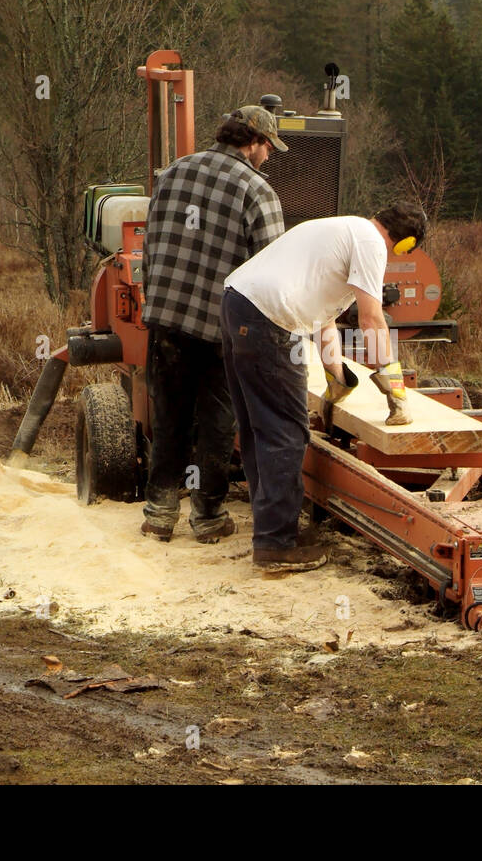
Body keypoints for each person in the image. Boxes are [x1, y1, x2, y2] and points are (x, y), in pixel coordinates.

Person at [221, 202, 429, 572]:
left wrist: (336, 375)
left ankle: (270, 529)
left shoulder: (340, 229)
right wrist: (393, 387)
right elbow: (372, 319)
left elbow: (324, 317)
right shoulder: (371, 242)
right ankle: (276, 545)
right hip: (270, 318)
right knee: (285, 432)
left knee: (258, 425)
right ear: (404, 243)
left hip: (237, 303)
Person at [139, 105, 288, 543]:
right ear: (254, 142)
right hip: (220, 328)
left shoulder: (172, 173)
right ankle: (206, 517)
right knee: (218, 422)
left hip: (166, 318)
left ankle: (159, 515)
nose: (268, 157)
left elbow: (150, 246)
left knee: (169, 416)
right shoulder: (258, 192)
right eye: (268, 148)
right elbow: (272, 271)